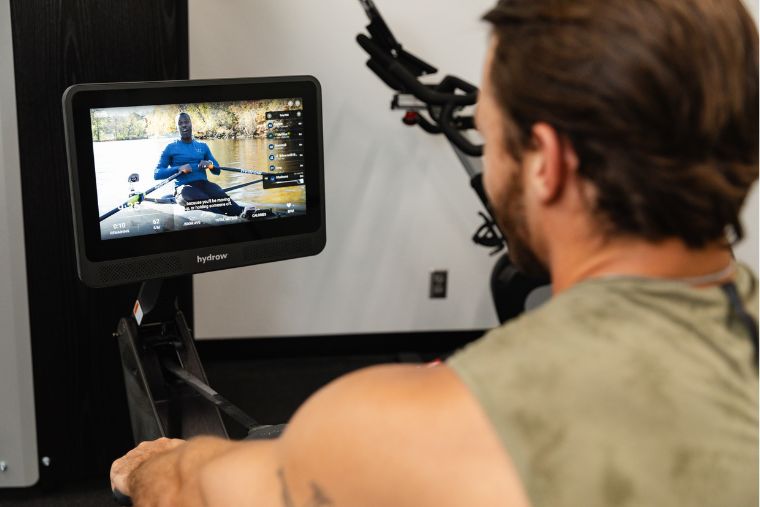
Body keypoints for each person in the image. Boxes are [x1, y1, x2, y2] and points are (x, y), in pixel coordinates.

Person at [112, 0, 759, 505]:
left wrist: (156, 462)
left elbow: (190, 491)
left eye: (492, 131)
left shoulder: (403, 423)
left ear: (548, 165)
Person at [155, 112, 244, 216]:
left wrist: (209, 164)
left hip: (204, 185)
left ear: (191, 124)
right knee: (194, 195)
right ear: (176, 127)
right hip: (183, 188)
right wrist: (179, 168)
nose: (184, 125)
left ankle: (242, 213)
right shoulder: (170, 148)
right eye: (180, 123)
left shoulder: (203, 146)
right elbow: (157, 173)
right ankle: (223, 216)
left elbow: (217, 170)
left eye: (186, 122)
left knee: (218, 192)